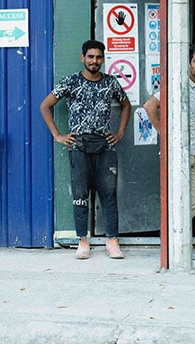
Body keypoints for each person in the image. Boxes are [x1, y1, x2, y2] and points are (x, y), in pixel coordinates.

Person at [40, 40, 132, 260]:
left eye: (99, 57)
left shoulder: (110, 82)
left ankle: (112, 241)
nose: (95, 61)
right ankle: (83, 241)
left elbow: (126, 105)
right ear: (83, 58)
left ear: (103, 59)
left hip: (105, 146)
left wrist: (119, 133)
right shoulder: (71, 81)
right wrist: (58, 135)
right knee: (80, 195)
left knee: (108, 195)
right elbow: (45, 106)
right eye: (90, 56)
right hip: (79, 146)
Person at [143, 42, 195, 223]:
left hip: (194, 155)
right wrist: (164, 134)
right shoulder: (179, 84)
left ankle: (172, 234)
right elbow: (149, 106)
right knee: (176, 201)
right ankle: (170, 242)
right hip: (179, 153)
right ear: (189, 63)